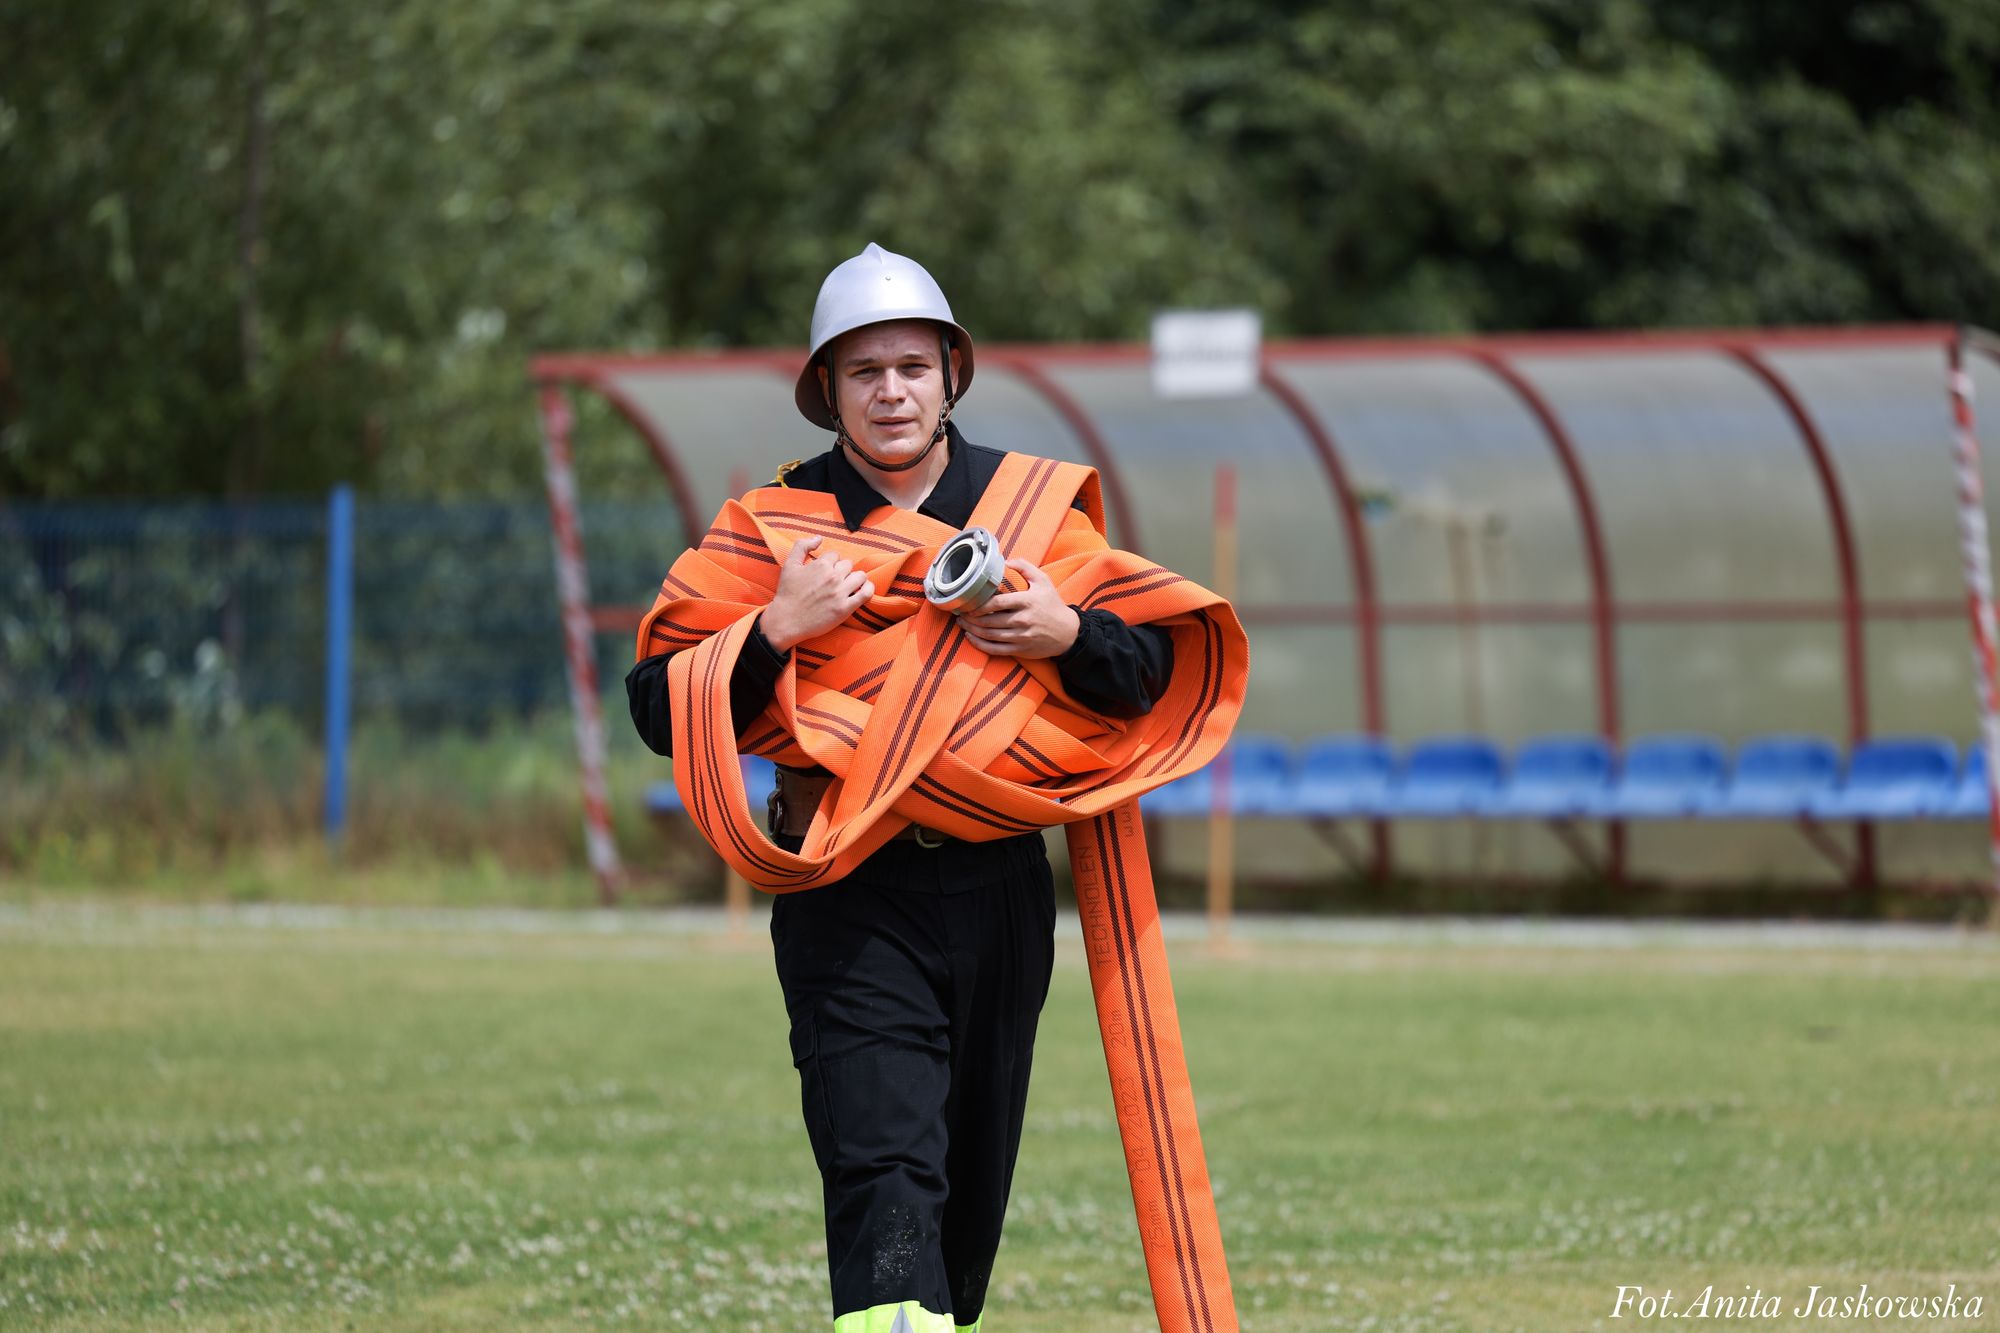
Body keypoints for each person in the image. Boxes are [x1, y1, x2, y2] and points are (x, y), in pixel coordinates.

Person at [626, 243, 1175, 1332]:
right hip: (847, 890)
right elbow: (658, 704)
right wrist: (774, 629)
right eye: (862, 370)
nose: (889, 391)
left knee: (961, 1211)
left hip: (1000, 894)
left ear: (949, 375)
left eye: (910, 368)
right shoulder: (770, 529)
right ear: (825, 389)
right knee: (884, 1176)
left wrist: (1065, 633)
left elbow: (1145, 676)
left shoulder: (1031, 513)